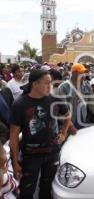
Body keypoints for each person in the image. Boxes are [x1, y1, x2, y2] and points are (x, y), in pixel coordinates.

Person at [10, 70, 71, 199]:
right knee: (26, 191)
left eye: (51, 83)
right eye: (46, 83)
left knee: (47, 188)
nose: (50, 86)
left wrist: (63, 133)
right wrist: (15, 163)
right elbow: (14, 136)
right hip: (30, 157)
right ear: (35, 84)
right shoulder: (20, 104)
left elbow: (67, 115)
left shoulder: (54, 98)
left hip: (52, 153)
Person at [58, 63, 94, 129]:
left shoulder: (87, 87)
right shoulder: (64, 87)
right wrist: (69, 127)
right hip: (70, 124)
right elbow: (62, 110)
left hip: (83, 121)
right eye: (81, 73)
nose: (84, 75)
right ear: (74, 73)